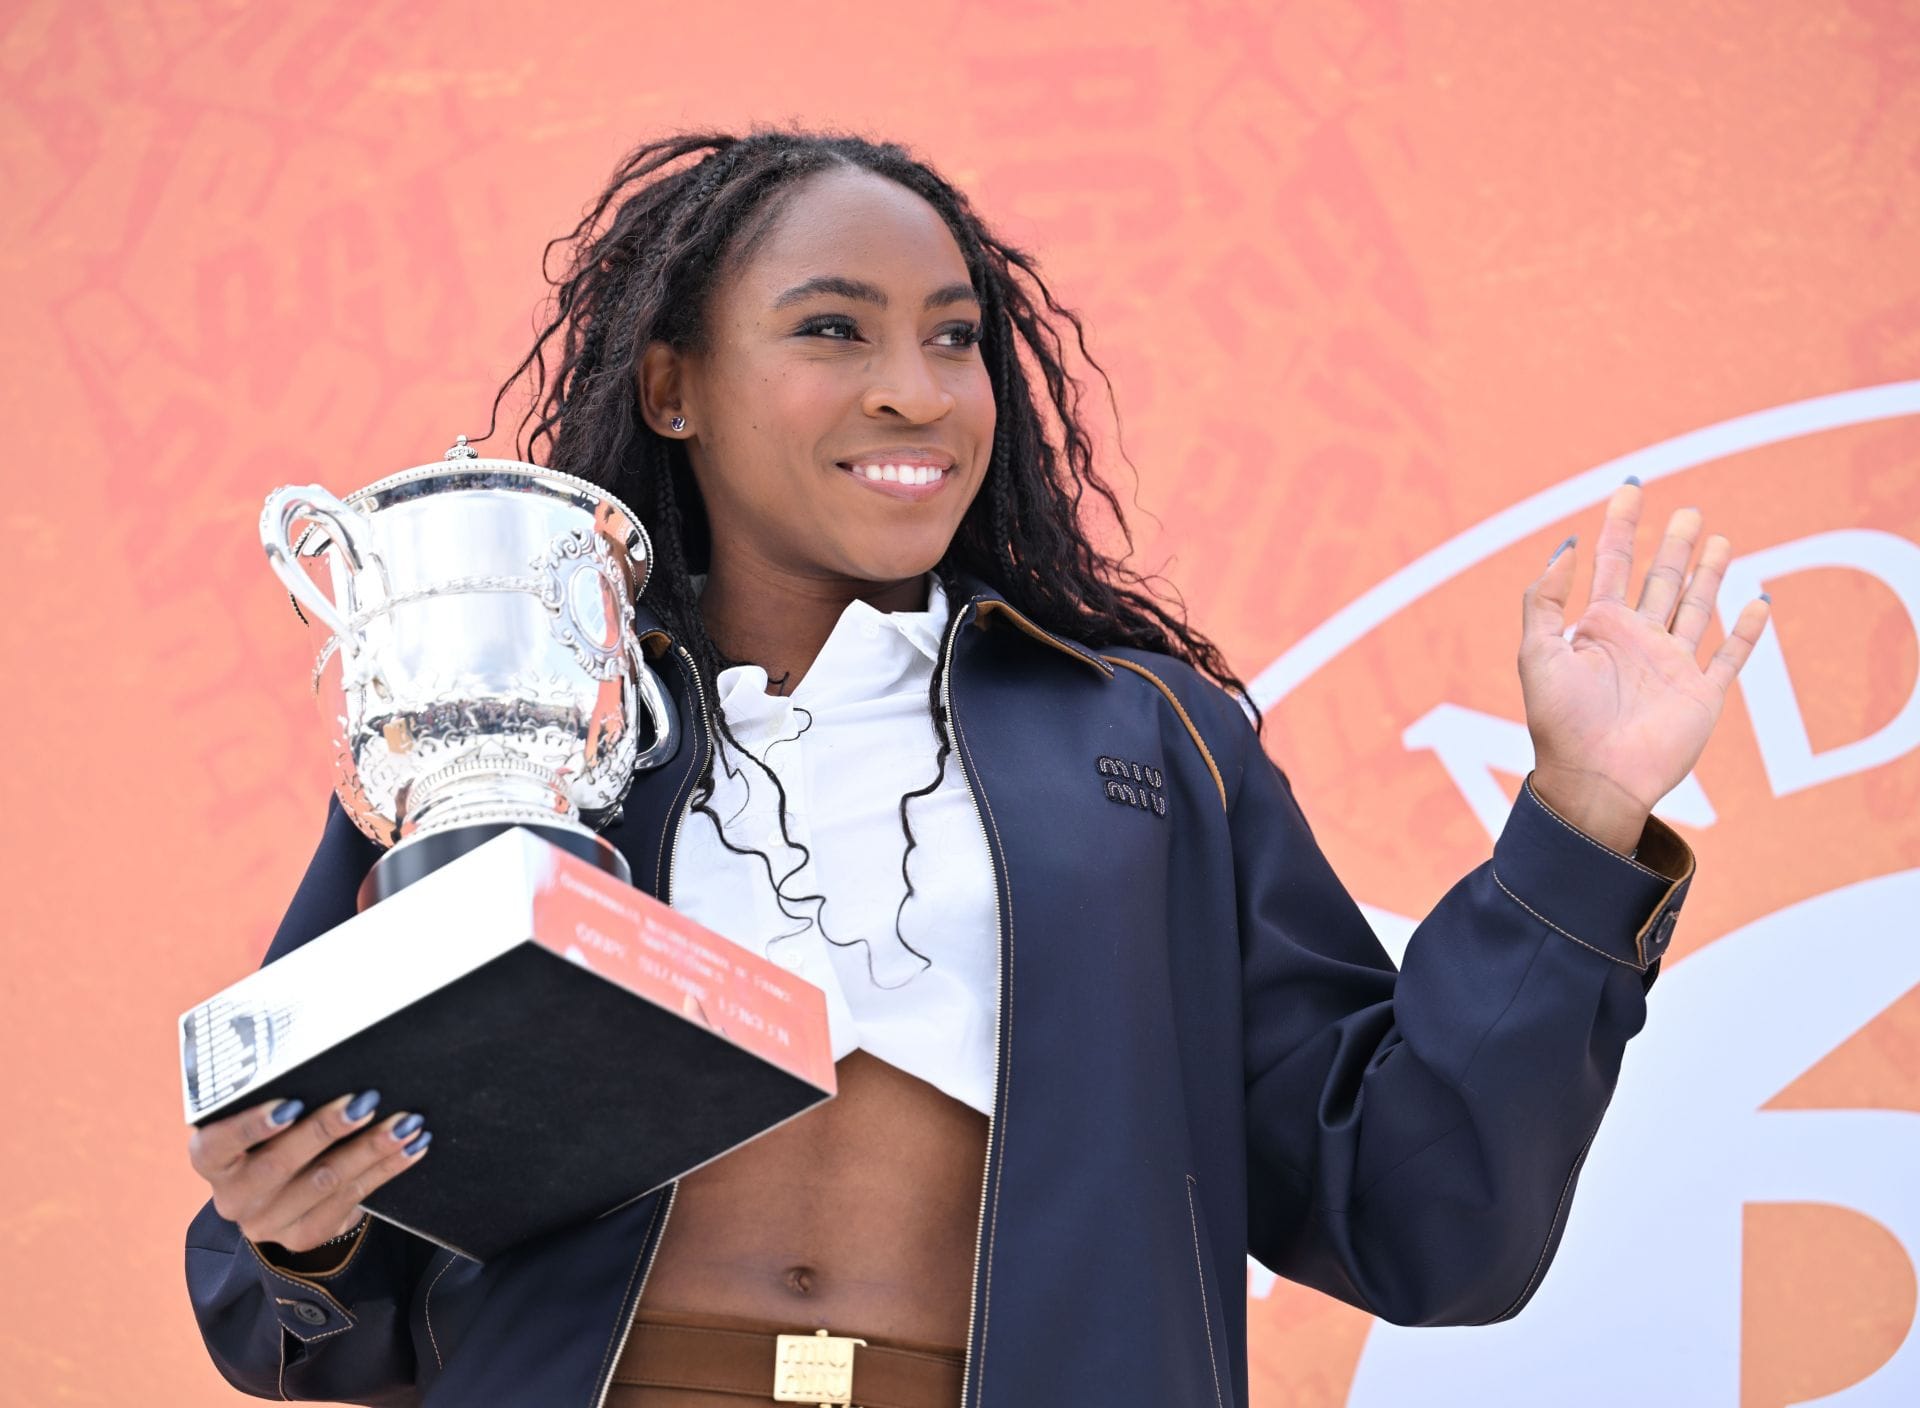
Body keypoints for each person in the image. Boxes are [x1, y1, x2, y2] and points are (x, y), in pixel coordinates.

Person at [183, 128, 1771, 1408]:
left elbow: (1418, 1219)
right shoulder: (516, 735)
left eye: (956, 338)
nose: (918, 389)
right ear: (672, 386)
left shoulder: (1151, 746)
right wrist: (300, 1232)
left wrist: (1585, 813)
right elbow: (294, 1303)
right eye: (833, 330)